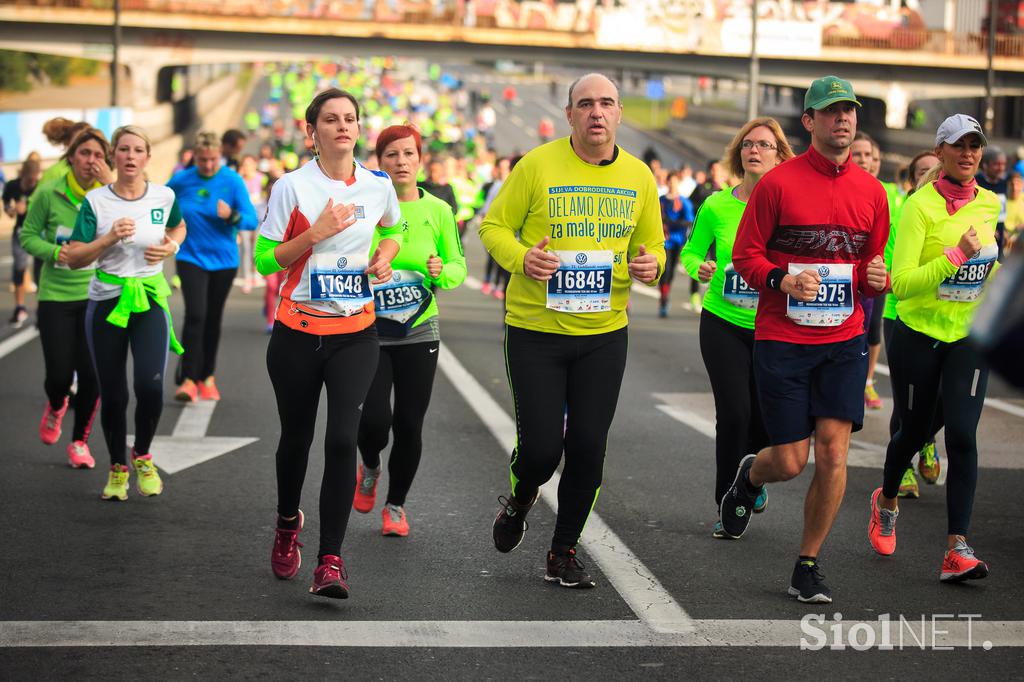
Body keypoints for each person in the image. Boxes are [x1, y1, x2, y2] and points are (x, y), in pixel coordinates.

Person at [480, 73, 665, 589]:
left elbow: (652, 247)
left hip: (604, 334)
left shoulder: (639, 177)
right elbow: (492, 227)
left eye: (606, 103)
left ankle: (562, 552)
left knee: (588, 445)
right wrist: (523, 259)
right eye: (586, 104)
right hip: (536, 331)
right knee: (540, 451)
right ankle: (519, 500)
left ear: (619, 113)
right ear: (570, 115)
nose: (597, 113)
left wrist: (653, 266)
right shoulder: (536, 165)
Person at [724, 76, 890, 603]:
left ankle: (807, 563)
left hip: (844, 340)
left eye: (850, 111)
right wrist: (783, 280)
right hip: (783, 339)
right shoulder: (777, 184)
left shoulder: (873, 193)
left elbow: (868, 268)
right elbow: (746, 257)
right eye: (831, 111)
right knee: (792, 461)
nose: (843, 119)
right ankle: (751, 475)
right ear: (809, 121)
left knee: (834, 453)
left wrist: (874, 279)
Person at [255, 89, 402, 599]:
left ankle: (330, 560)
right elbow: (264, 259)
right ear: (312, 130)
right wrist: (315, 233)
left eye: (350, 119)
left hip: (355, 334)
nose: (343, 126)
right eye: (331, 119)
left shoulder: (378, 185)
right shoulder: (291, 187)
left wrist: (384, 256)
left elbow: (393, 231)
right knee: (296, 440)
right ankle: (286, 522)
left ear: (359, 129)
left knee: (343, 439)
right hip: (297, 334)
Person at [867, 114, 999, 583]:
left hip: (967, 337)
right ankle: (885, 500)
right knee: (915, 428)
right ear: (940, 152)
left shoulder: (990, 204)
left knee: (963, 435)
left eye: (975, 146)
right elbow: (901, 285)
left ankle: (956, 548)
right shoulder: (918, 207)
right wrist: (955, 257)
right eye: (958, 146)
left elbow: (989, 269)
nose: (968, 154)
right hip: (918, 333)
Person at [681, 117, 794, 536]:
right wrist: (701, 267)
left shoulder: (790, 207)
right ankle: (727, 502)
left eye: (764, 145)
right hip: (723, 321)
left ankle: (752, 475)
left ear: (780, 155)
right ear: (739, 154)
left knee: (766, 421)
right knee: (733, 413)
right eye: (748, 144)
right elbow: (692, 254)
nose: (754, 150)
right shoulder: (716, 205)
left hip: (773, 325)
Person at [354, 124, 467, 537]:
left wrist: (443, 270)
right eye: (391, 155)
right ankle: (369, 465)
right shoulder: (364, 205)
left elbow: (457, 266)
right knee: (374, 422)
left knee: (409, 424)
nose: (401, 162)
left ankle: (396, 506)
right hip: (369, 328)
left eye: (408, 154)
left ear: (419, 160)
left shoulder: (437, 209)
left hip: (420, 328)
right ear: (378, 162)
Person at [65, 125, 186, 500]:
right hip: (107, 303)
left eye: (138, 150)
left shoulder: (164, 196)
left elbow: (178, 228)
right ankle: (117, 467)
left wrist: (171, 248)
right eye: (123, 150)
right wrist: (108, 238)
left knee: (150, 388)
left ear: (148, 158)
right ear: (112, 157)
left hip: (148, 299)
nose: (131, 156)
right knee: (113, 394)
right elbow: (74, 257)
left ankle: (143, 454)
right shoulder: (97, 202)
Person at [19, 128, 109, 468]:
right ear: (71, 157)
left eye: (99, 155)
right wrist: (57, 253)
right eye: (84, 154)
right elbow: (27, 236)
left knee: (93, 376)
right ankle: (57, 403)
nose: (91, 161)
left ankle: (79, 443)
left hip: (99, 295)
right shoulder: (49, 192)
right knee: (59, 376)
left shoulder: (110, 194)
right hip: (56, 295)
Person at [167, 132, 258, 402]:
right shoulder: (182, 180)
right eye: (202, 160)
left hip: (224, 260)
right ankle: (188, 379)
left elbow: (252, 220)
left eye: (212, 159)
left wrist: (233, 215)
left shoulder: (232, 180)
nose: (207, 165)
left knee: (213, 318)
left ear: (219, 155)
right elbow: (158, 203)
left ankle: (207, 376)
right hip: (190, 256)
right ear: (194, 156)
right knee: (196, 315)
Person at [882, 150, 943, 497]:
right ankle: (903, 467)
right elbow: (891, 269)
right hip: (900, 313)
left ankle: (927, 439)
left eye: (938, 170)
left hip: (945, 317)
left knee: (938, 396)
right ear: (914, 180)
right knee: (905, 397)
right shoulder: (903, 214)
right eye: (926, 171)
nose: (934, 175)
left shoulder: (958, 211)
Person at [4, 157, 42, 327]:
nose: (31, 183)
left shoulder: (41, 188)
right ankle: (20, 308)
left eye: (34, 180)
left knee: (40, 271)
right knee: (19, 268)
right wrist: (12, 210)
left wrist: (30, 208)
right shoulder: (12, 185)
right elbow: (6, 205)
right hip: (21, 231)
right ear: (23, 176)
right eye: (28, 180)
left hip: (40, 233)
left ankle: (42, 310)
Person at [657, 172, 694, 317]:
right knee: (664, 272)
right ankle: (664, 298)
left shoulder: (683, 202)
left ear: (678, 183)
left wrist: (672, 223)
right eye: (670, 181)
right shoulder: (661, 200)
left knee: (671, 272)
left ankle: (665, 293)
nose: (672, 184)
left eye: (675, 181)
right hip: (664, 241)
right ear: (667, 183)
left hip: (678, 240)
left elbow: (689, 220)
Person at [975, 145, 1007, 257]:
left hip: (1001, 242)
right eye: (996, 164)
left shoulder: (1004, 184)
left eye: (1003, 164)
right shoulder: (975, 183)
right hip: (982, 243)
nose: (1001, 168)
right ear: (985, 165)